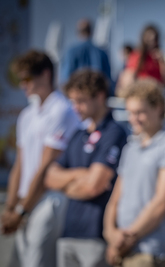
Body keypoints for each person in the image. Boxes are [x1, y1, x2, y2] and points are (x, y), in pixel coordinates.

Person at [1, 50, 80, 267]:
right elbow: (20, 164)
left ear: (45, 75)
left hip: (49, 199)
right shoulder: (27, 114)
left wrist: (20, 211)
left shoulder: (61, 110)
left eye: (26, 79)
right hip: (26, 202)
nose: (22, 85)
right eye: (20, 80)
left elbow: (46, 166)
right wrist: (10, 208)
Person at [45, 69, 127, 267]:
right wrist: (81, 174)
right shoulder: (78, 134)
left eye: (80, 101)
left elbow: (94, 186)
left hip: (95, 235)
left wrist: (66, 183)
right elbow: (49, 178)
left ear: (99, 97)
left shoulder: (114, 132)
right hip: (69, 231)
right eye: (72, 101)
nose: (75, 107)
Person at [103, 79, 165, 267]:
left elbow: (162, 203)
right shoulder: (130, 147)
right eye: (130, 113)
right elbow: (115, 198)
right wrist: (110, 233)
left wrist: (126, 239)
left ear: (158, 107)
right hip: (121, 246)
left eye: (139, 112)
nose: (133, 118)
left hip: (149, 251)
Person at [59, 18, 112, 94]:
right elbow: (107, 80)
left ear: (78, 32)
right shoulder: (102, 52)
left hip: (77, 95)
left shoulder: (70, 51)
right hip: (96, 96)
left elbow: (65, 78)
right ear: (91, 31)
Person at [116, 24, 165, 97]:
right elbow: (129, 75)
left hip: (156, 94)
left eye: (154, 39)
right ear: (144, 38)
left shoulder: (158, 57)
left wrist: (162, 61)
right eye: (149, 39)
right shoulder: (137, 54)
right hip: (142, 95)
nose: (152, 42)